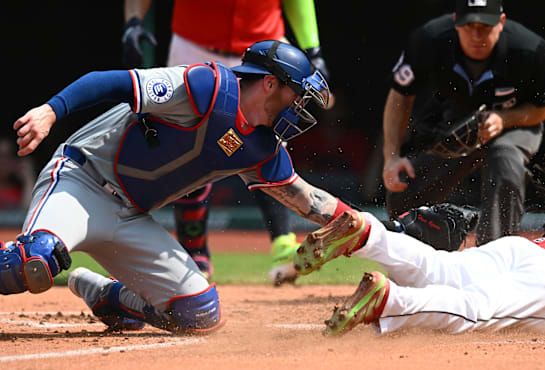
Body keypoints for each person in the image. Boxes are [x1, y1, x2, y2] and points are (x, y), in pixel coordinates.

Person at [2, 40, 348, 334]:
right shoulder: (207, 86)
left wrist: (371, 231)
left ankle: (108, 297)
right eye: (296, 95)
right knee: (32, 261)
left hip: (130, 216)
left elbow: (307, 199)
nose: (299, 107)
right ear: (270, 84)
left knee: (199, 315)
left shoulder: (262, 147)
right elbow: (110, 82)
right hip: (82, 179)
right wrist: (51, 111)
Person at [293, 142, 545, 336]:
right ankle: (391, 301)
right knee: (477, 311)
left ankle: (368, 234)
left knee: (443, 267)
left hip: (519, 248)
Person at [123, 0, 331, 284]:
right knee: (187, 143)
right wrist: (133, 20)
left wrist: (312, 49)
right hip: (193, 46)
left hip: (263, 49)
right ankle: (194, 250)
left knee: (270, 141)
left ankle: (283, 244)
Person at [382, 0, 545, 246]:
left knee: (505, 160)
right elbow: (400, 95)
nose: (476, 35)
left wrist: (505, 119)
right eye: (469, 26)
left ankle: (495, 256)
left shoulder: (531, 49)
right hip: (459, 120)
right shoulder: (430, 39)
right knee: (405, 182)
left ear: (501, 22)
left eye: (484, 26)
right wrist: (391, 156)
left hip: (517, 121)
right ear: (456, 21)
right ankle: (412, 253)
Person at [0, 137, 35, 210]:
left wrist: (28, 179)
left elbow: (28, 212)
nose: (3, 162)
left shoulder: (20, 191)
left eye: (6, 157)